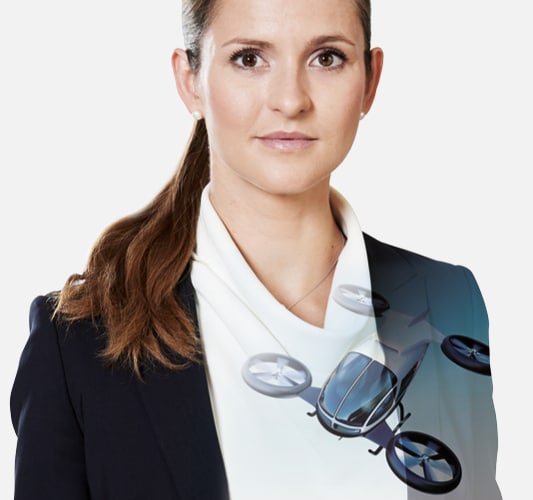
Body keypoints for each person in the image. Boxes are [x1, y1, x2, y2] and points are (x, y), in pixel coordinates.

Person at [10, 0, 501, 498]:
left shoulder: (448, 299)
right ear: (190, 80)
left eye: (327, 57)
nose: (290, 100)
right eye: (249, 58)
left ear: (370, 81)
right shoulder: (77, 345)